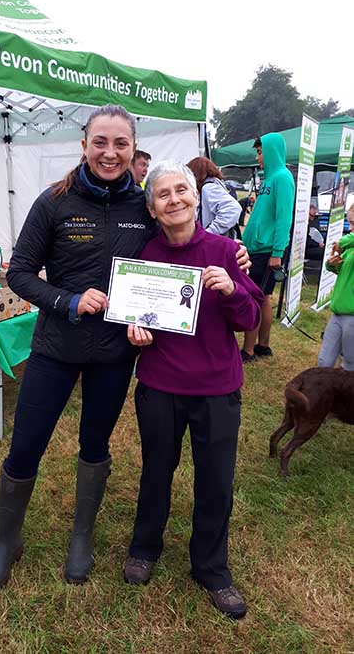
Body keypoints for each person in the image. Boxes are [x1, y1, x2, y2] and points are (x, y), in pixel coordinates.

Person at [0, 104, 250, 592]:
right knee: (25, 447)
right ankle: (6, 541)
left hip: (114, 354)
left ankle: (81, 537)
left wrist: (234, 254)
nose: (109, 152)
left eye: (120, 143)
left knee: (95, 444)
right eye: (99, 142)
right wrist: (67, 299)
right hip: (55, 348)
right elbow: (17, 272)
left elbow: (177, 245)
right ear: (84, 145)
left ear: (133, 148)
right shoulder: (54, 202)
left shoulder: (142, 207)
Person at [123, 160, 263, 619]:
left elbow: (250, 319)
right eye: (163, 194)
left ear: (196, 196)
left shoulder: (226, 250)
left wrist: (231, 291)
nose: (175, 199)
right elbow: (136, 317)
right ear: (153, 207)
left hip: (217, 389)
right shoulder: (144, 258)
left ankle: (211, 568)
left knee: (216, 481)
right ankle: (145, 547)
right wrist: (135, 331)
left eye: (181, 190)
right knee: (156, 473)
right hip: (161, 386)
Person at [241, 134, 295, 362]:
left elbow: (284, 218)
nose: (258, 157)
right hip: (257, 248)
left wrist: (277, 252)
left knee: (255, 298)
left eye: (261, 152)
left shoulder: (282, 178)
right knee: (262, 298)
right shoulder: (269, 180)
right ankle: (262, 346)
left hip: (267, 251)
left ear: (272, 151)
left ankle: (249, 350)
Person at [317, 203, 354, 370]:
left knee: (350, 365)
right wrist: (333, 265)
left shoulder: (349, 242)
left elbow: (345, 241)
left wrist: (341, 241)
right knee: (324, 362)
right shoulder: (350, 249)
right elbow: (344, 270)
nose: (351, 229)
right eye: (350, 224)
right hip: (338, 312)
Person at [187, 157, 242, 238]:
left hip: (215, 242)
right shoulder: (214, 185)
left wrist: (209, 232)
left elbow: (233, 209)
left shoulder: (208, 188)